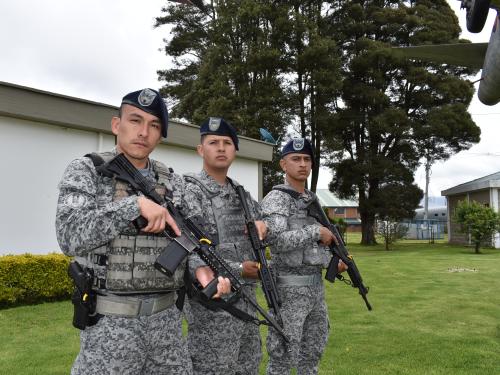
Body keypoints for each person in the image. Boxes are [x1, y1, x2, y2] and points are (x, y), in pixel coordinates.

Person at [56, 88, 230, 375]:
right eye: (135, 121)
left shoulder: (173, 181)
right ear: (116, 124)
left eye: (154, 125)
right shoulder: (87, 170)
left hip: (167, 328)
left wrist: (202, 270)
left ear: (160, 135)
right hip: (109, 329)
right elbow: (69, 235)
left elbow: (191, 239)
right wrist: (134, 206)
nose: (143, 132)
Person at [183, 117, 266, 375]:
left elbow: (266, 223)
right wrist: (240, 269)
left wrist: (265, 225)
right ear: (200, 150)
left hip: (247, 302)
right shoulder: (189, 192)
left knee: (248, 365)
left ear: (235, 150)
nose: (221, 148)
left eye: (227, 143)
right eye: (213, 142)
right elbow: (190, 251)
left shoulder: (241, 194)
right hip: (213, 307)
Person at [261, 138, 347, 375]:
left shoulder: (312, 200)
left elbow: (316, 247)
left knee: (312, 355)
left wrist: (333, 261)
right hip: (289, 294)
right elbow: (275, 241)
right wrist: (315, 231)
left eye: (307, 159)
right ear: (283, 164)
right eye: (295, 159)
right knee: (282, 359)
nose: (302, 164)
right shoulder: (276, 199)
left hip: (315, 291)